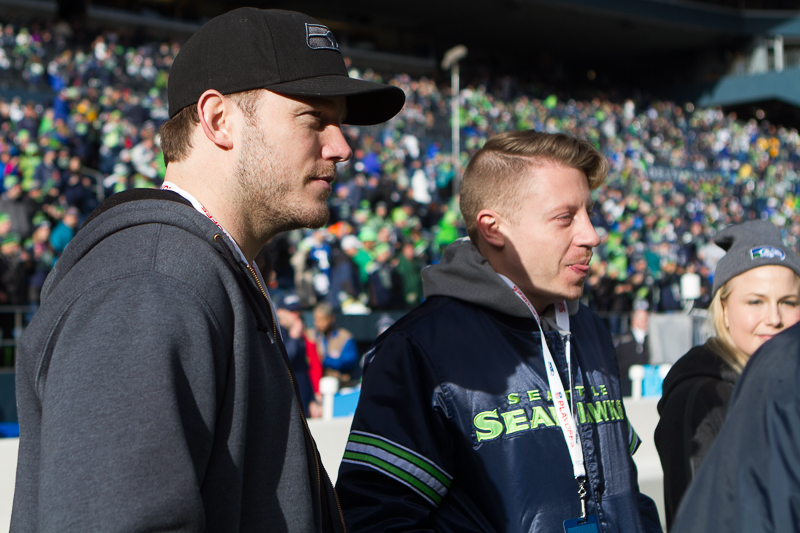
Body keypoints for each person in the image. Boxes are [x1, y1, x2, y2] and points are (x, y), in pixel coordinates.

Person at [11, 7, 404, 532]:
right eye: (315, 119)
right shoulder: (150, 281)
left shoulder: (188, 268)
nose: (342, 147)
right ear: (219, 120)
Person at [335, 130, 662, 532]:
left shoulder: (588, 328)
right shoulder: (419, 348)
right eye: (566, 217)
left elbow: (623, 486)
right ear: (493, 229)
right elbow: (375, 519)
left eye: (590, 213)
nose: (592, 235)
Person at [654, 219, 800, 530]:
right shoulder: (698, 400)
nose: (774, 318)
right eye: (755, 302)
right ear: (724, 308)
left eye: (788, 302)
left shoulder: (786, 387)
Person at [311, 301, 361, 388]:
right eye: (317, 320)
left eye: (323, 319)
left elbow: (349, 362)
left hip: (342, 387)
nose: (319, 324)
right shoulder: (312, 336)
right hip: (318, 388)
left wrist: (325, 360)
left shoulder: (345, 337)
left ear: (331, 318)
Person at [614, 304, 651, 397]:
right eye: (644, 319)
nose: (646, 321)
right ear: (635, 319)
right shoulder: (621, 339)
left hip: (648, 385)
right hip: (626, 383)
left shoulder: (653, 338)